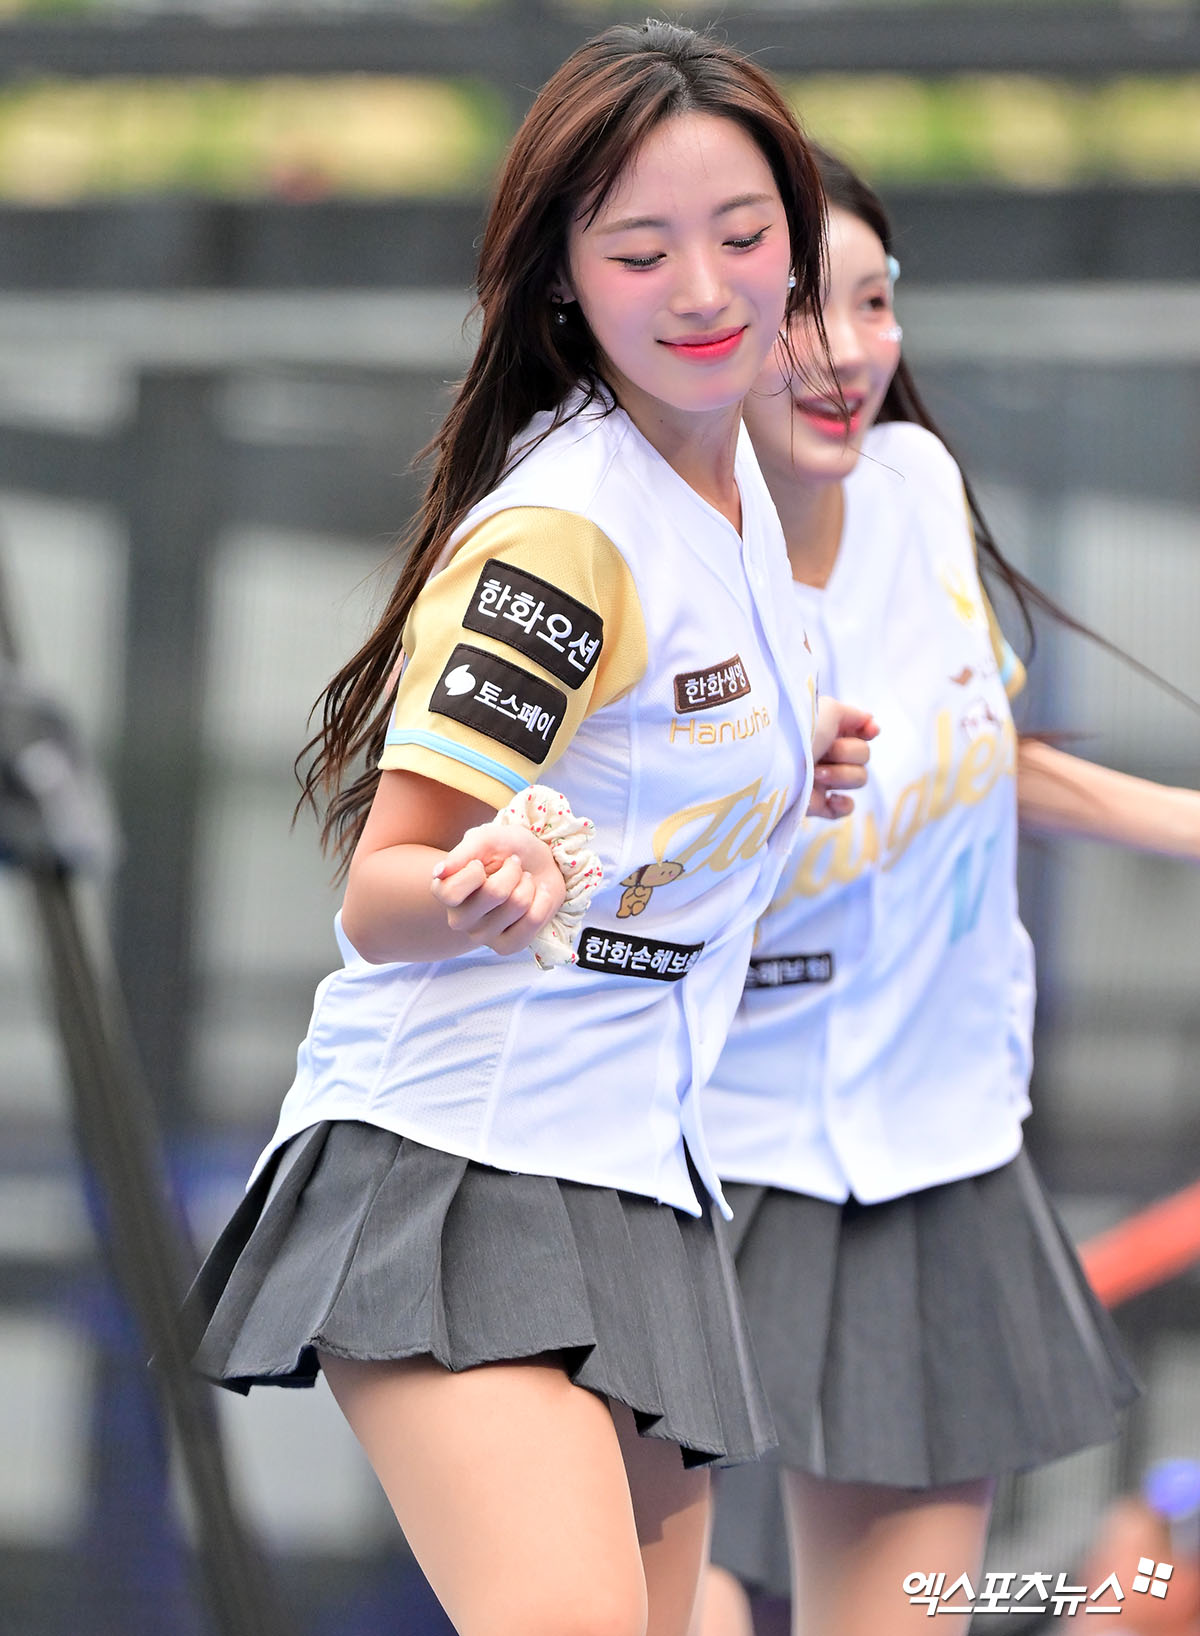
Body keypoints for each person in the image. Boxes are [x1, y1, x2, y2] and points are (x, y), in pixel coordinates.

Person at [182, 27, 874, 1636]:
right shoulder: (566, 531)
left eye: (744, 235)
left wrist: (793, 761)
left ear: (797, 242)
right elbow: (382, 892)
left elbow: (660, 744)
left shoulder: (735, 480)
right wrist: (482, 886)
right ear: (563, 279)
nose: (702, 289)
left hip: (639, 1174)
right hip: (458, 1162)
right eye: (639, 252)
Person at [696, 146, 1200, 1636]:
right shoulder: (643, 569)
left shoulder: (917, 489)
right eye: (806, 309)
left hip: (938, 1153)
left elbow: (979, 758)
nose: (848, 349)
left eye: (875, 301)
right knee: (679, 1600)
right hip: (706, 1167)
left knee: (915, 1607)